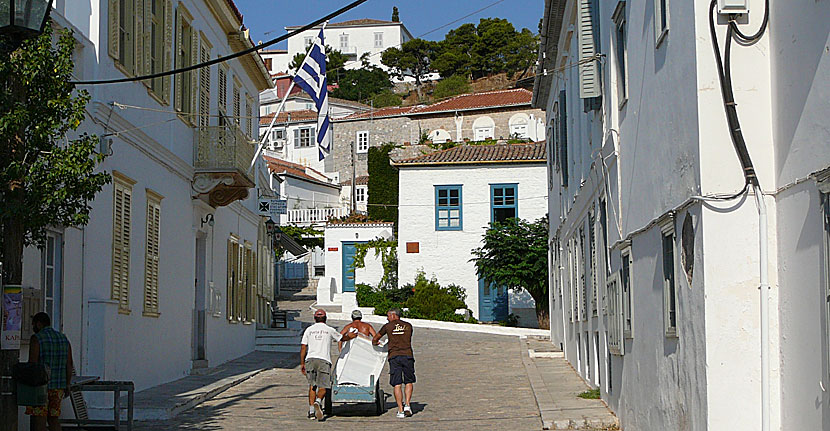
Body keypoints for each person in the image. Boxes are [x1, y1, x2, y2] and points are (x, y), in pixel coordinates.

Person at [300, 309, 357, 421]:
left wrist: (302, 363)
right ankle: (319, 401)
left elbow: (303, 347)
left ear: (314, 318)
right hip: (324, 360)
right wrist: (350, 336)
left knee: (312, 386)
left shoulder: (309, 330)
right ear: (325, 318)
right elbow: (341, 338)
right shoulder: (329, 330)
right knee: (324, 386)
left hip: (310, 359)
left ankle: (311, 412)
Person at [26, 312, 73, 431]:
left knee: (39, 419)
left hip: (41, 387)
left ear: (39, 324)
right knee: (53, 419)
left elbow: (32, 364)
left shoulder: (37, 338)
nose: (33, 328)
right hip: (58, 387)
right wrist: (67, 384)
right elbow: (69, 364)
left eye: (34, 325)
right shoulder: (63, 339)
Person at [372, 308, 415, 418]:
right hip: (407, 355)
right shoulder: (408, 326)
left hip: (394, 356)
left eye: (388, 316)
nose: (387, 318)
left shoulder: (387, 326)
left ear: (393, 315)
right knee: (408, 381)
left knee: (397, 383)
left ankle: (400, 410)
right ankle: (408, 405)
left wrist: (376, 343)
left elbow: (375, 338)